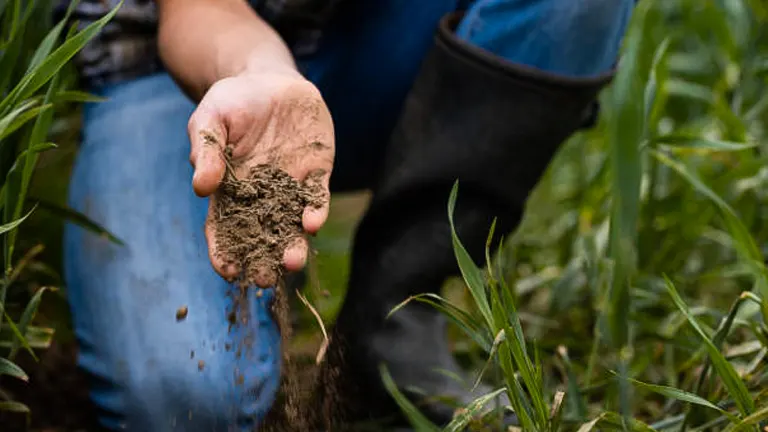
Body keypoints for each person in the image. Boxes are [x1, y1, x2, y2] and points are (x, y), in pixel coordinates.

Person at [58, 0, 634, 430]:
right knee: (185, 402)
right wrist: (263, 74)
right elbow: (201, 14)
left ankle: (392, 319)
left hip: (390, 32)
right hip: (179, 65)